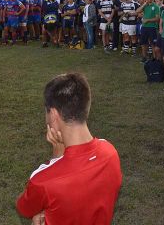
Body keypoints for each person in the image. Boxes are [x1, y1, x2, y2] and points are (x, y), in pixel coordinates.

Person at [16, 73, 122, 224]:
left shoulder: (43, 181)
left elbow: (24, 207)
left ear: (53, 114)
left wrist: (57, 158)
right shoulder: (111, 153)